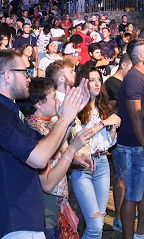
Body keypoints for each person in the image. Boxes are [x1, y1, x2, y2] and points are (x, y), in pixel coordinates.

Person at [0, 49, 90, 239]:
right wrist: (64, 119)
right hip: (13, 220)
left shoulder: (6, 111)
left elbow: (45, 147)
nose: (29, 77)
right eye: (25, 72)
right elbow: (39, 158)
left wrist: (68, 118)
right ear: (8, 76)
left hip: (21, 219)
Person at [20, 78, 94, 239]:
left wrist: (68, 120)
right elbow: (47, 184)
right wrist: (72, 148)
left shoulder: (38, 126)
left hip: (48, 207)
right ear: (39, 104)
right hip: (44, 209)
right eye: (54, 97)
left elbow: (54, 152)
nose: (58, 101)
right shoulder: (34, 131)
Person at [115, 40, 144, 239]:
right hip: (134, 146)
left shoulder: (142, 76)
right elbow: (135, 115)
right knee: (133, 195)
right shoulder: (134, 78)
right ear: (141, 56)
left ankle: (142, 232)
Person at [70, 67, 121, 239]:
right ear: (83, 83)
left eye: (99, 79)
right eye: (92, 80)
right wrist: (104, 123)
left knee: (99, 224)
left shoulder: (103, 107)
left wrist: (112, 130)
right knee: (95, 225)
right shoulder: (76, 109)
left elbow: (107, 144)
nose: (97, 83)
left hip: (102, 164)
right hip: (82, 166)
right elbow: (81, 137)